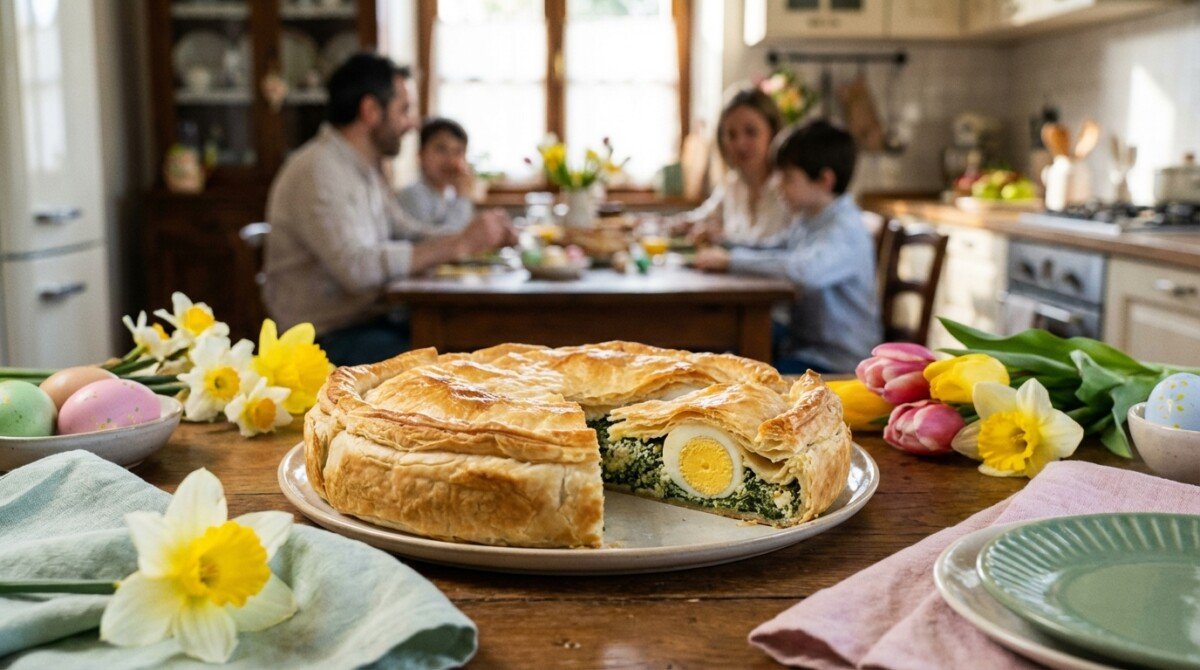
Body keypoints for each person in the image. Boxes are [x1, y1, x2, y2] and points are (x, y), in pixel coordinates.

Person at [263, 53, 516, 365]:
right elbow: (356, 269)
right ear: (370, 110)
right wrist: (459, 243)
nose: (410, 124)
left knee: (479, 338)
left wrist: (475, 237)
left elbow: (406, 230)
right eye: (403, 109)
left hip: (367, 323)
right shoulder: (320, 170)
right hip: (323, 342)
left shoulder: (363, 168)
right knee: (463, 356)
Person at [692, 120, 881, 374]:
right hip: (803, 345)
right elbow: (776, 248)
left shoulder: (845, 228)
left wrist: (730, 261)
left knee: (740, 372)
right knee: (721, 350)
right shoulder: (810, 217)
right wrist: (727, 243)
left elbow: (805, 271)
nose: (778, 183)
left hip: (836, 361)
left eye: (788, 177)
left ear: (825, 180)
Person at [679, 88, 792, 247]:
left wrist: (725, 240)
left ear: (773, 133)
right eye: (731, 135)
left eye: (751, 132)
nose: (740, 144)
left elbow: (783, 251)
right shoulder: (732, 184)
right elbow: (695, 220)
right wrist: (653, 223)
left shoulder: (790, 188)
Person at [397, 117, 476, 234]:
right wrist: (462, 199)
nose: (450, 160)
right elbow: (444, 245)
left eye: (458, 152)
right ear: (421, 155)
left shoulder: (451, 195)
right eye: (441, 149)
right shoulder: (413, 195)